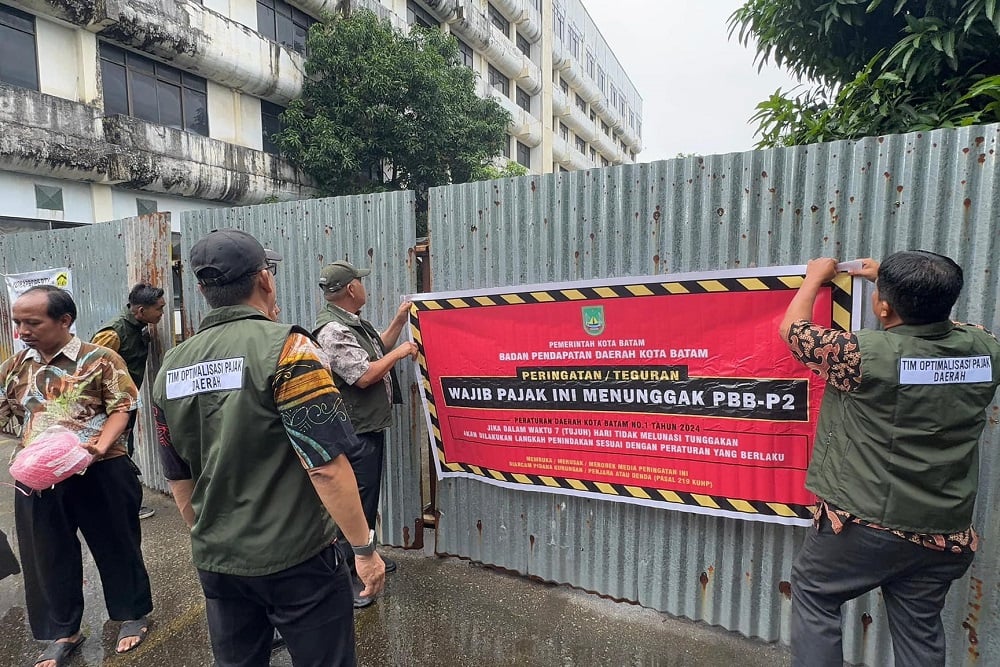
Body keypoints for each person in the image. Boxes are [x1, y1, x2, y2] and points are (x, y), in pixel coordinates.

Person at [152, 229, 384, 667]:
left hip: (218, 558)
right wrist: (364, 550)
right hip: (296, 558)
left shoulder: (172, 366)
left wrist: (211, 533)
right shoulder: (289, 349)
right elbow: (326, 466)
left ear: (203, 291)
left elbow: (176, 472)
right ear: (265, 280)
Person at [779, 252, 1000, 667]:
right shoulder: (986, 349)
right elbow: (953, 327)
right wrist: (900, 283)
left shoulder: (863, 356)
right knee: (919, 632)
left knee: (815, 593)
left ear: (883, 307)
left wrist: (814, 278)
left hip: (867, 529)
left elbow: (795, 331)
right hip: (944, 533)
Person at [0, 285, 153, 667]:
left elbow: (123, 406)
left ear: (64, 320)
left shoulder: (100, 359)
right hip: (38, 477)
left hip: (99, 468)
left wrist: (100, 445)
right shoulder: (16, 367)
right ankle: (62, 630)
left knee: (116, 544)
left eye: (33, 322)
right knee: (46, 554)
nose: (23, 331)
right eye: (19, 323)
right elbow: (8, 414)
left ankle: (131, 614)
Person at [313, 260, 417, 608]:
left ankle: (366, 558)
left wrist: (398, 323)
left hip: (369, 426)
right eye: (361, 282)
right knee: (353, 502)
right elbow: (363, 375)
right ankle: (348, 576)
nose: (364, 287)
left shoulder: (352, 324)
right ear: (352, 289)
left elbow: (376, 353)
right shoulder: (332, 330)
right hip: (355, 431)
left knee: (367, 498)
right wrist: (403, 353)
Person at [92, 282, 166, 520]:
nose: (162, 314)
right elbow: (91, 373)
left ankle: (117, 506)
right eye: (159, 309)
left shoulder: (138, 326)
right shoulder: (113, 333)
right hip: (112, 410)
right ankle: (122, 508)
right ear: (141, 311)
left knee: (123, 452)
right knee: (117, 455)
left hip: (125, 405)